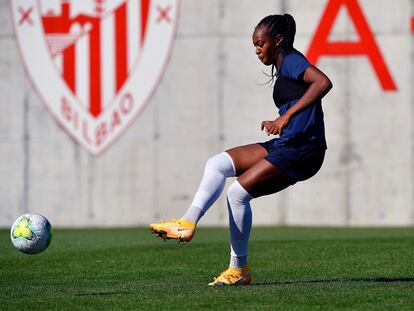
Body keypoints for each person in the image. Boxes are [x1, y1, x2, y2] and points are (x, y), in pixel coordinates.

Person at [149, 13, 332, 286]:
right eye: (254, 45)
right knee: (217, 164)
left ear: (278, 40)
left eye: (261, 44)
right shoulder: (284, 64)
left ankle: (238, 269)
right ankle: (187, 223)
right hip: (288, 143)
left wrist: (285, 117)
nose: (257, 50)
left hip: (304, 149)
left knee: (237, 194)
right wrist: (282, 120)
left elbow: (323, 82)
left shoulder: (292, 60)